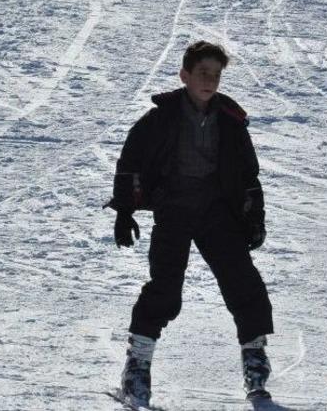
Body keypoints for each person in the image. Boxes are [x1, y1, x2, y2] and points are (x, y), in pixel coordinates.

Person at [106, 41, 274, 408]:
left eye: (216, 75)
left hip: (217, 213)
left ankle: (256, 367)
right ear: (184, 75)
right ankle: (137, 369)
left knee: (244, 284)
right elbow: (130, 161)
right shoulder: (160, 118)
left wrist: (254, 216)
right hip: (175, 210)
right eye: (202, 73)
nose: (209, 81)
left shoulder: (230, 120)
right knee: (165, 290)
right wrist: (124, 210)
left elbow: (248, 173)